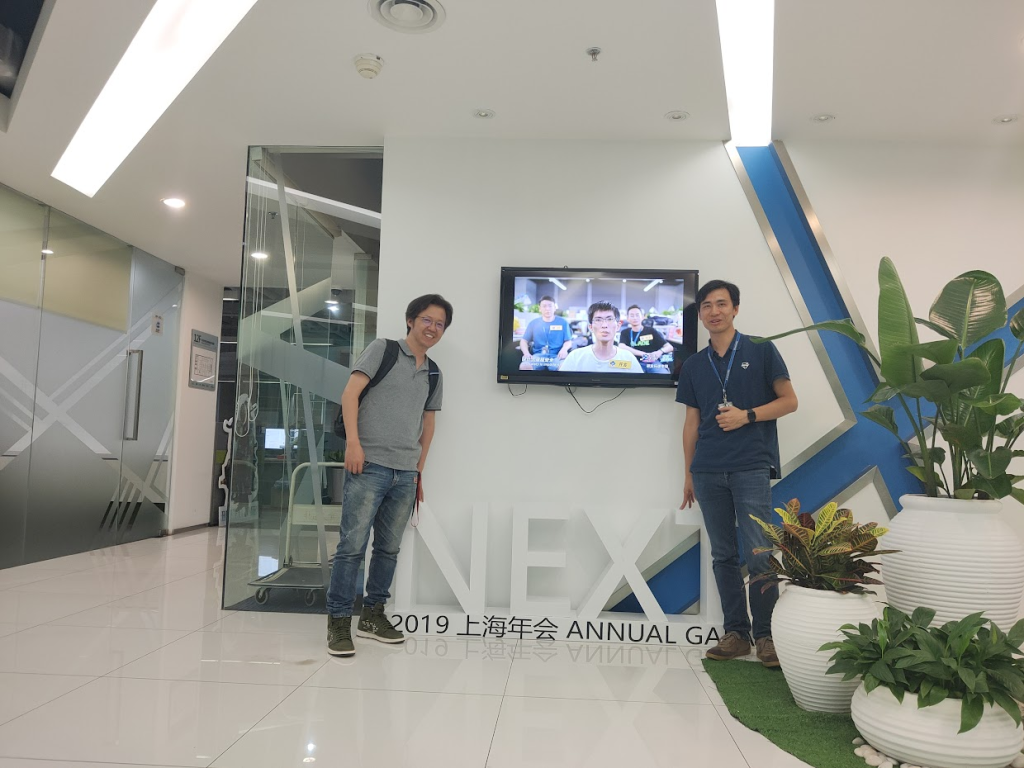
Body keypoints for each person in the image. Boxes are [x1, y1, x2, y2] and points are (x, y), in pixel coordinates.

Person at [676, 280, 798, 667]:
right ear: (700, 314)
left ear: (735, 309)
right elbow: (691, 423)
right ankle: (736, 634)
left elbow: (790, 401)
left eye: (721, 304)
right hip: (708, 470)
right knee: (723, 555)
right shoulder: (694, 365)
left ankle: (766, 636)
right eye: (707, 306)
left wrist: (748, 415)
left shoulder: (761, 350)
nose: (714, 311)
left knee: (760, 554)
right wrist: (689, 473)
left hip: (751, 466)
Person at [326, 293, 453, 657]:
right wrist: (353, 443)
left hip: (405, 472)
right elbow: (350, 394)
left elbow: (428, 423)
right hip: (368, 465)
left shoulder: (433, 372)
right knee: (351, 547)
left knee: (388, 549)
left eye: (440, 324)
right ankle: (338, 621)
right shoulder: (383, 350)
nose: (433, 328)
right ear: (411, 320)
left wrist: (418, 470)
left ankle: (372, 616)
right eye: (427, 320)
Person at [559, 302, 644, 373]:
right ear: (590, 327)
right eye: (598, 320)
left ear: (618, 326)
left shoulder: (628, 358)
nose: (604, 325)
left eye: (609, 319)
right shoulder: (575, 357)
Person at [519, 296, 573, 371]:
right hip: (538, 357)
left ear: (555, 308)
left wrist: (564, 349)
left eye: (550, 306)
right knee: (524, 366)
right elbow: (524, 341)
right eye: (544, 306)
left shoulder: (563, 322)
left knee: (565, 367)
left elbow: (568, 341)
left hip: (557, 356)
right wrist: (526, 353)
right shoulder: (533, 323)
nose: (547, 309)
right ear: (540, 308)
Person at [619, 305, 673, 371]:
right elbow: (621, 346)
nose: (635, 318)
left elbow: (669, 347)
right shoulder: (625, 332)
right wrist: (644, 354)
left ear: (643, 317)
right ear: (627, 318)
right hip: (633, 362)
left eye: (637, 315)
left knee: (664, 375)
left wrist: (659, 352)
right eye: (632, 315)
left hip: (651, 363)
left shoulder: (651, 331)